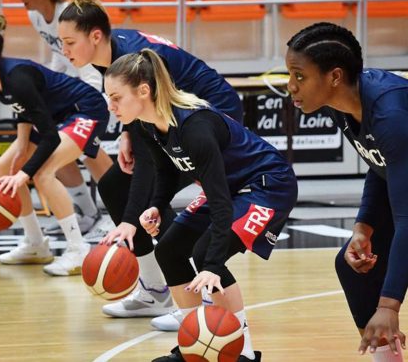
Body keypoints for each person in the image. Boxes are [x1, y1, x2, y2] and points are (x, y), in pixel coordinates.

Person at [58, 0, 244, 328]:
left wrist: (130, 221)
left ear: (95, 36)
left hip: (214, 116)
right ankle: (156, 289)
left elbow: (149, 161)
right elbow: (138, 113)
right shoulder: (112, 56)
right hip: (176, 118)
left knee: (144, 191)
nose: (63, 50)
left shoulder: (133, 57)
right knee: (116, 185)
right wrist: (128, 132)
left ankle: (191, 294)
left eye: (69, 42)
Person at [104, 48, 297, 362]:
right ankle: (192, 343)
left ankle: (244, 354)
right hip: (231, 187)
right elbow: (165, 170)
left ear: (143, 91)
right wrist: (156, 205)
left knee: (207, 254)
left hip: (267, 185)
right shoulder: (147, 124)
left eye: (116, 97)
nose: (111, 107)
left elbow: (220, 203)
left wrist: (210, 266)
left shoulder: (195, 127)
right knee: (168, 250)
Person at [286, 22, 408, 360]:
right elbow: (380, 164)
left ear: (334, 77)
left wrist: (389, 305)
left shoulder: (391, 116)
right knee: (353, 267)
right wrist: (363, 229)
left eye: (299, 76)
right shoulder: (340, 104)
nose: (290, 86)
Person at [0, 15, 109, 276]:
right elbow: (24, 110)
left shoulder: (17, 77)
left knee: (43, 174)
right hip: (55, 117)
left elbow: (50, 137)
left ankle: (77, 249)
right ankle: (36, 243)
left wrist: (24, 173)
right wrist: (23, 145)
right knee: (2, 168)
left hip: (85, 109)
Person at [16, 0, 114, 235]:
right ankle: (87, 213)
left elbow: (91, 61)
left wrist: (93, 96)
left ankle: (121, 212)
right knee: (53, 146)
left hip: (94, 87)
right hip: (67, 90)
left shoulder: (70, 13)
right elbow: (59, 56)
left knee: (89, 152)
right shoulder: (35, 15)